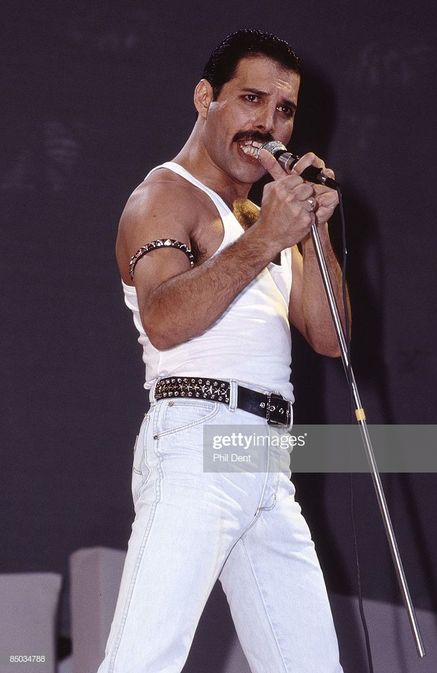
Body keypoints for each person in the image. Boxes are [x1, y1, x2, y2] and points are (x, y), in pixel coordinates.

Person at [98, 29, 346, 673]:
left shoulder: (259, 219)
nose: (267, 124)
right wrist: (268, 236)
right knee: (140, 663)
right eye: (252, 99)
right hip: (197, 442)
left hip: (267, 456)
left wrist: (310, 229)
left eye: (284, 111)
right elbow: (163, 319)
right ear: (206, 97)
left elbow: (330, 337)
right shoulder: (165, 195)